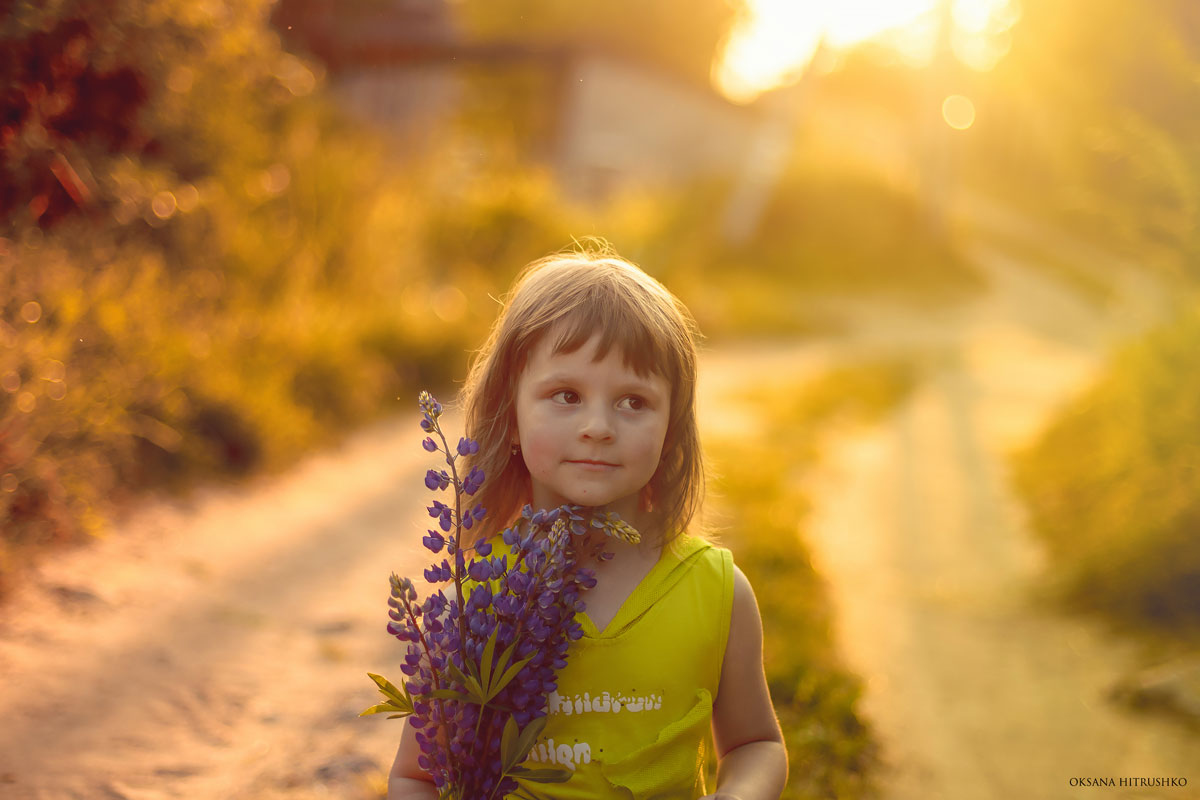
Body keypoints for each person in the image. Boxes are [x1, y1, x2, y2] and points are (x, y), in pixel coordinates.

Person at [387, 243, 788, 799]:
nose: (598, 426)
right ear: (511, 413)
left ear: (672, 427)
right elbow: (416, 778)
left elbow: (755, 745)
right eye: (566, 395)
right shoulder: (478, 594)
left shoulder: (717, 593)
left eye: (633, 402)